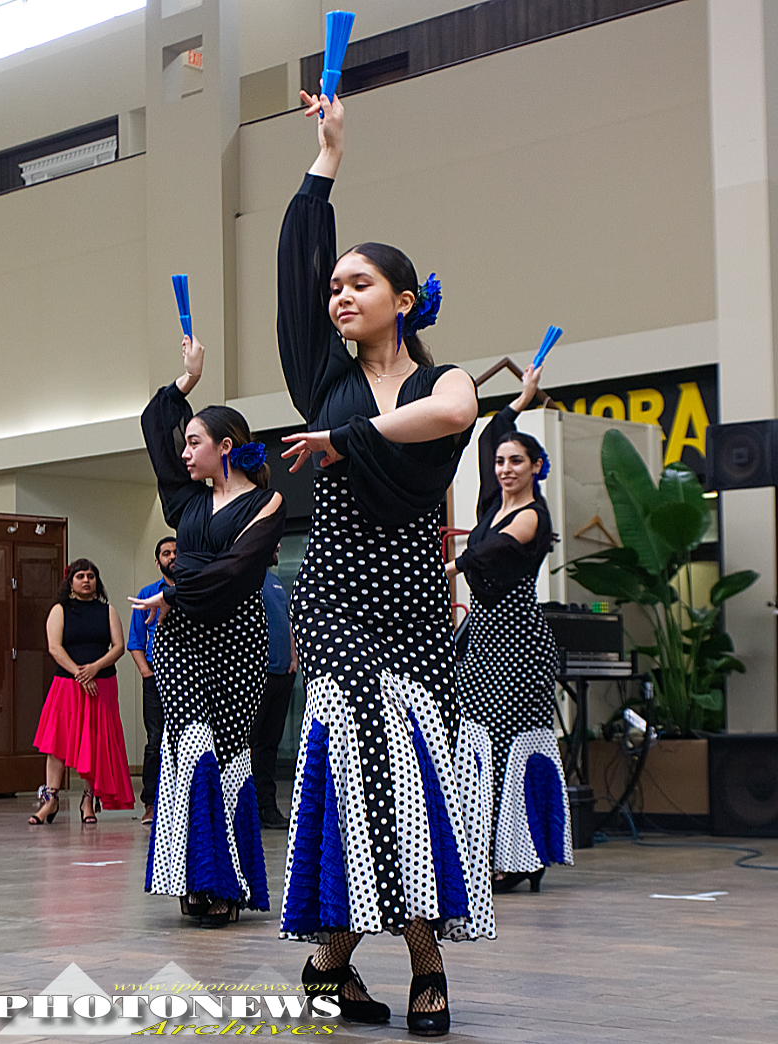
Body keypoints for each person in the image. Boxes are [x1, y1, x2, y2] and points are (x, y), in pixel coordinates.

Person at [276, 91, 494, 1037]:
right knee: (365, 756)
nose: (339, 295)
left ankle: (330, 965)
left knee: (414, 767)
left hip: (411, 595)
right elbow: (294, 263)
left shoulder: (441, 378)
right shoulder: (319, 372)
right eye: (337, 287)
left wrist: (343, 437)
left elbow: (453, 418)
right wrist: (326, 161)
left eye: (359, 284)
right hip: (333, 593)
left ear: (403, 302)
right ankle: (422, 959)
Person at [131, 333, 286, 929]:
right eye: (186, 440)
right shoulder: (186, 501)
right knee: (185, 749)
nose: (185, 450)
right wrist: (186, 382)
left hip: (234, 639)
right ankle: (192, 876)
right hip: (181, 642)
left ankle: (226, 879)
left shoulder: (265, 503)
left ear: (227, 447)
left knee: (224, 753)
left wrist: (175, 588)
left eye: (195, 442)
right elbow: (155, 425)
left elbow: (238, 570)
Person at [447, 364, 573, 893]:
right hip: (483, 637)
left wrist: (451, 566)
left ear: (536, 466)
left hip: (518, 639)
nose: (503, 468)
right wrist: (520, 401)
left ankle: (524, 855)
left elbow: (493, 553)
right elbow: (491, 435)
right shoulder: (492, 507)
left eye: (515, 461)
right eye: (500, 462)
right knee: (475, 743)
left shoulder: (533, 517)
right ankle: (490, 853)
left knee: (509, 745)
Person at [29, 558, 133, 825]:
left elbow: (118, 646)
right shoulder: (60, 610)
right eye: (80, 576)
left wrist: (94, 668)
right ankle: (50, 800)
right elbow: (55, 647)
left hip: (102, 685)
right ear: (70, 582)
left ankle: (89, 800)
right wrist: (79, 672)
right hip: (67, 684)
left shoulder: (107, 610)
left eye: (90, 576)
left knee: (95, 742)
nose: (86, 580)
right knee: (57, 743)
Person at [127, 536, 176, 825]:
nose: (173, 557)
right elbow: (135, 641)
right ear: (158, 561)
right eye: (166, 553)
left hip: (188, 677)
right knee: (155, 740)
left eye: (176, 552)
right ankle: (151, 803)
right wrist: (147, 673)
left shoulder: (193, 590)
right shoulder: (148, 594)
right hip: (156, 677)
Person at [251, 544, 298, 829]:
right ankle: (256, 808)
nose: (278, 545)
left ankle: (267, 806)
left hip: (283, 673)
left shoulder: (277, 582)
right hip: (259, 675)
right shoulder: (247, 581)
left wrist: (293, 657)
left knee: (270, 744)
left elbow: (289, 622)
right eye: (272, 541)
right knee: (255, 744)